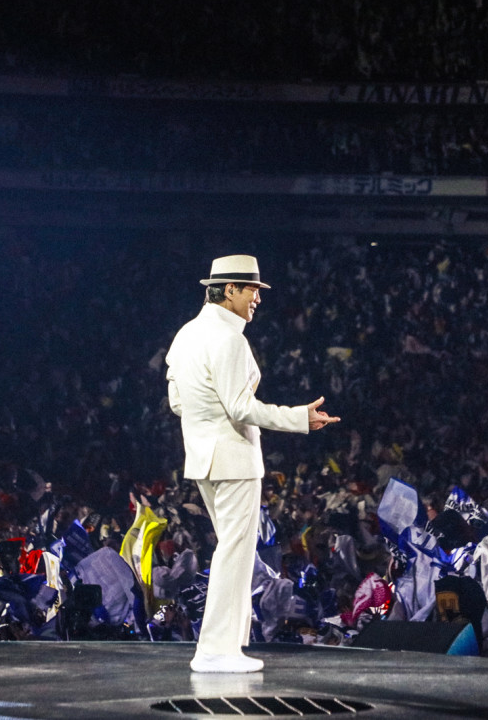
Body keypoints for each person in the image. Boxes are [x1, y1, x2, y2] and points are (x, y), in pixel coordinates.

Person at [165, 254, 340, 673]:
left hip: (204, 459)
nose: (258, 298)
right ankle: (216, 651)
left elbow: (176, 403)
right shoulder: (228, 339)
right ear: (229, 290)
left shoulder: (187, 334)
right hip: (233, 460)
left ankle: (225, 647)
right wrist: (299, 417)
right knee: (235, 552)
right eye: (252, 290)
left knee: (234, 551)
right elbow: (242, 408)